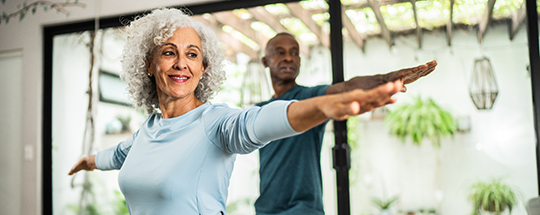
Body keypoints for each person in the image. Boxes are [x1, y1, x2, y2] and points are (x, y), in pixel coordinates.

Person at [67, 8, 408, 215]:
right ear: (150, 64)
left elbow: (257, 123)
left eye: (192, 54)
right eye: (169, 52)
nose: (181, 63)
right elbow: (121, 154)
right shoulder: (147, 131)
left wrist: (322, 105)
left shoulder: (214, 122)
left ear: (203, 67)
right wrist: (91, 160)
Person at [254, 32, 437, 215]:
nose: (288, 58)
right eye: (280, 53)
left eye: (294, 53)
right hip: (266, 210)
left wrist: (385, 79)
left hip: (303, 209)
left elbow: (345, 88)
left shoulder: (309, 98)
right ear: (265, 61)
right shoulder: (259, 112)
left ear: (300, 61)